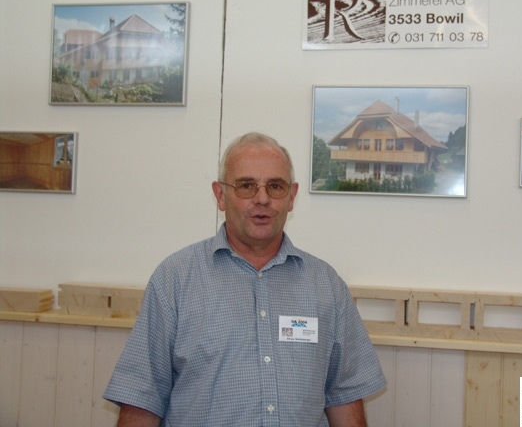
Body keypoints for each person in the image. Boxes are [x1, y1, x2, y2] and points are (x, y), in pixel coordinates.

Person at [104, 132, 386, 426]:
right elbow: (142, 398)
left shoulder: (326, 286)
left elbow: (345, 396)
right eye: (246, 186)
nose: (262, 199)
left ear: (291, 197)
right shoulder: (174, 280)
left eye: (275, 186)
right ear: (220, 195)